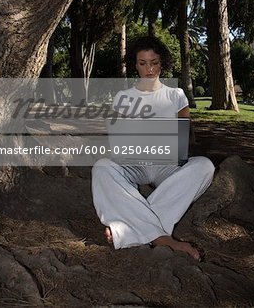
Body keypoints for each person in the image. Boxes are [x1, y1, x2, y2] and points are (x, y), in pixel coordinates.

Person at [92, 36, 215, 261]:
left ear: (162, 63)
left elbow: (183, 140)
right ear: (135, 64)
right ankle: (159, 236)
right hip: (135, 162)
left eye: (154, 62)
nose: (149, 69)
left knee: (204, 166)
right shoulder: (123, 97)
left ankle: (129, 231)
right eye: (143, 63)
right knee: (102, 167)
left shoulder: (176, 96)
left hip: (167, 163)